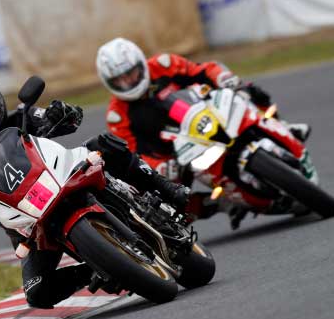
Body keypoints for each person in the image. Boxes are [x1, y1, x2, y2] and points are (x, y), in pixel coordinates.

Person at [0, 78, 190, 309]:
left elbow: (71, 119)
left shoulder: (22, 117)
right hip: (30, 225)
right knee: (37, 291)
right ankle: (94, 269)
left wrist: (61, 112)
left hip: (62, 176)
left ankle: (165, 186)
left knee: (102, 144)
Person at [95, 37, 310, 228]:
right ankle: (219, 203)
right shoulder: (117, 114)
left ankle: (282, 126)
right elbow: (131, 154)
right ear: (109, 83)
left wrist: (224, 78)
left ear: (141, 64)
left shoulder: (163, 64)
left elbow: (203, 70)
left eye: (130, 73)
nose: (128, 82)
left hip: (206, 113)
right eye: (119, 80)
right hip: (177, 154)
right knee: (164, 204)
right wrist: (158, 166)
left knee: (248, 91)